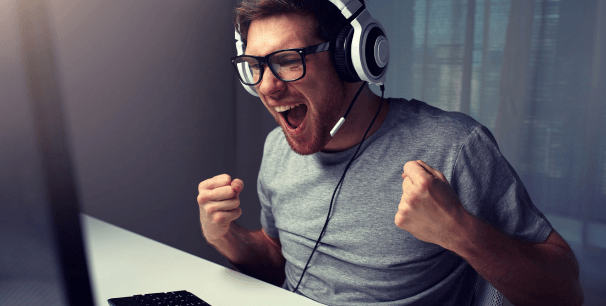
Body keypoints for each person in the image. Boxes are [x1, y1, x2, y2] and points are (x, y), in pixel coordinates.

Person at [197, 1, 584, 305]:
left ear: (351, 57)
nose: (266, 87)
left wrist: (461, 232)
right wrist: (225, 236)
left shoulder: (454, 145)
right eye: (254, 66)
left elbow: (565, 294)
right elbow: (277, 261)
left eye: (286, 61)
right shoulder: (276, 149)